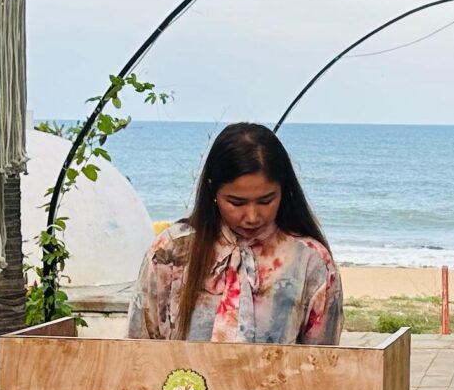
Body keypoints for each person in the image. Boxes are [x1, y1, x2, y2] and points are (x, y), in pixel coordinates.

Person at [130, 122, 343, 344]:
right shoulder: (171, 250)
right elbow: (140, 347)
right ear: (213, 189)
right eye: (236, 202)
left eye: (266, 200)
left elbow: (323, 361)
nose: (252, 216)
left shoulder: (310, 261)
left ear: (284, 190)